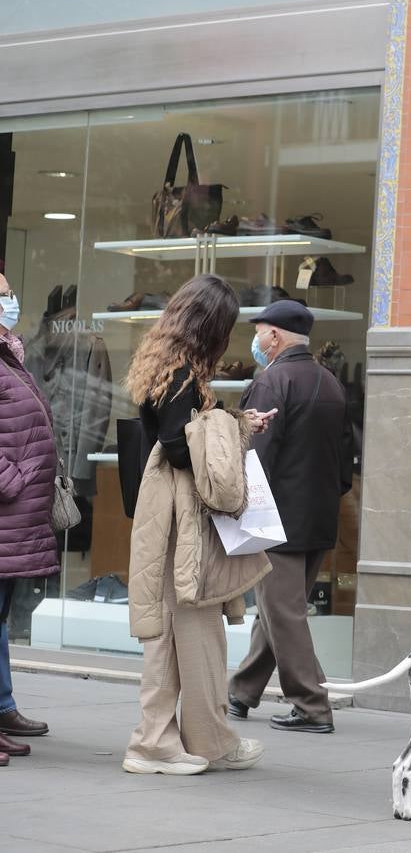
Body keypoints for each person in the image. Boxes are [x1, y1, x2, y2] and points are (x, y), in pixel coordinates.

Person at [122, 274, 275, 776]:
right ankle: (191, 742)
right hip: (180, 518)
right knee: (196, 630)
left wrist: (234, 424)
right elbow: (176, 444)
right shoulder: (184, 375)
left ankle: (163, 741)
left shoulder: (163, 366)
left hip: (167, 515)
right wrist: (232, 428)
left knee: (177, 634)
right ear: (210, 326)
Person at [227, 300, 352, 733]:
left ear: (274, 336)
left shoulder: (271, 381)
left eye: (259, 331)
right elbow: (344, 465)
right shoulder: (331, 383)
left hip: (275, 519)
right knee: (278, 608)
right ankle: (241, 692)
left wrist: (237, 507)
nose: (257, 340)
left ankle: (312, 705)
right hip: (318, 519)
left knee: (282, 611)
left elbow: (255, 458)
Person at [0, 274, 58, 766]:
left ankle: (1, 708)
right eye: (1, 294)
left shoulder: (9, 356)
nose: (10, 300)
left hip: (14, 520)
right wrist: (12, 479)